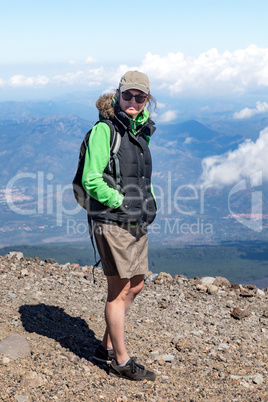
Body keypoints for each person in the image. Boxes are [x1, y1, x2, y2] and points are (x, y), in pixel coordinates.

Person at [82, 71, 157, 381]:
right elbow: (91, 178)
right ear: (118, 95)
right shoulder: (104, 130)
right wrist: (120, 202)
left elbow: (139, 177)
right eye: (128, 95)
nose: (133, 102)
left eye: (140, 97)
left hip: (136, 220)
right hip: (111, 221)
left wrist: (149, 200)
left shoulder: (141, 130)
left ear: (147, 100)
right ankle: (120, 361)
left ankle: (105, 347)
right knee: (119, 289)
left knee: (136, 283)